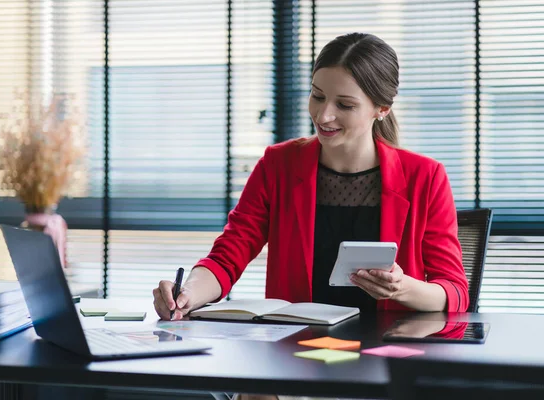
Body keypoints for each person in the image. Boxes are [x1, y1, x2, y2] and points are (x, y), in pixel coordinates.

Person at [153, 30, 470, 400]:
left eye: (345, 105)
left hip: (383, 354)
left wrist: (403, 287)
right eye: (317, 96)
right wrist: (188, 294)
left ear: (381, 108)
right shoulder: (278, 165)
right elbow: (228, 256)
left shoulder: (425, 177)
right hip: (299, 351)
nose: (324, 114)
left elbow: (454, 293)